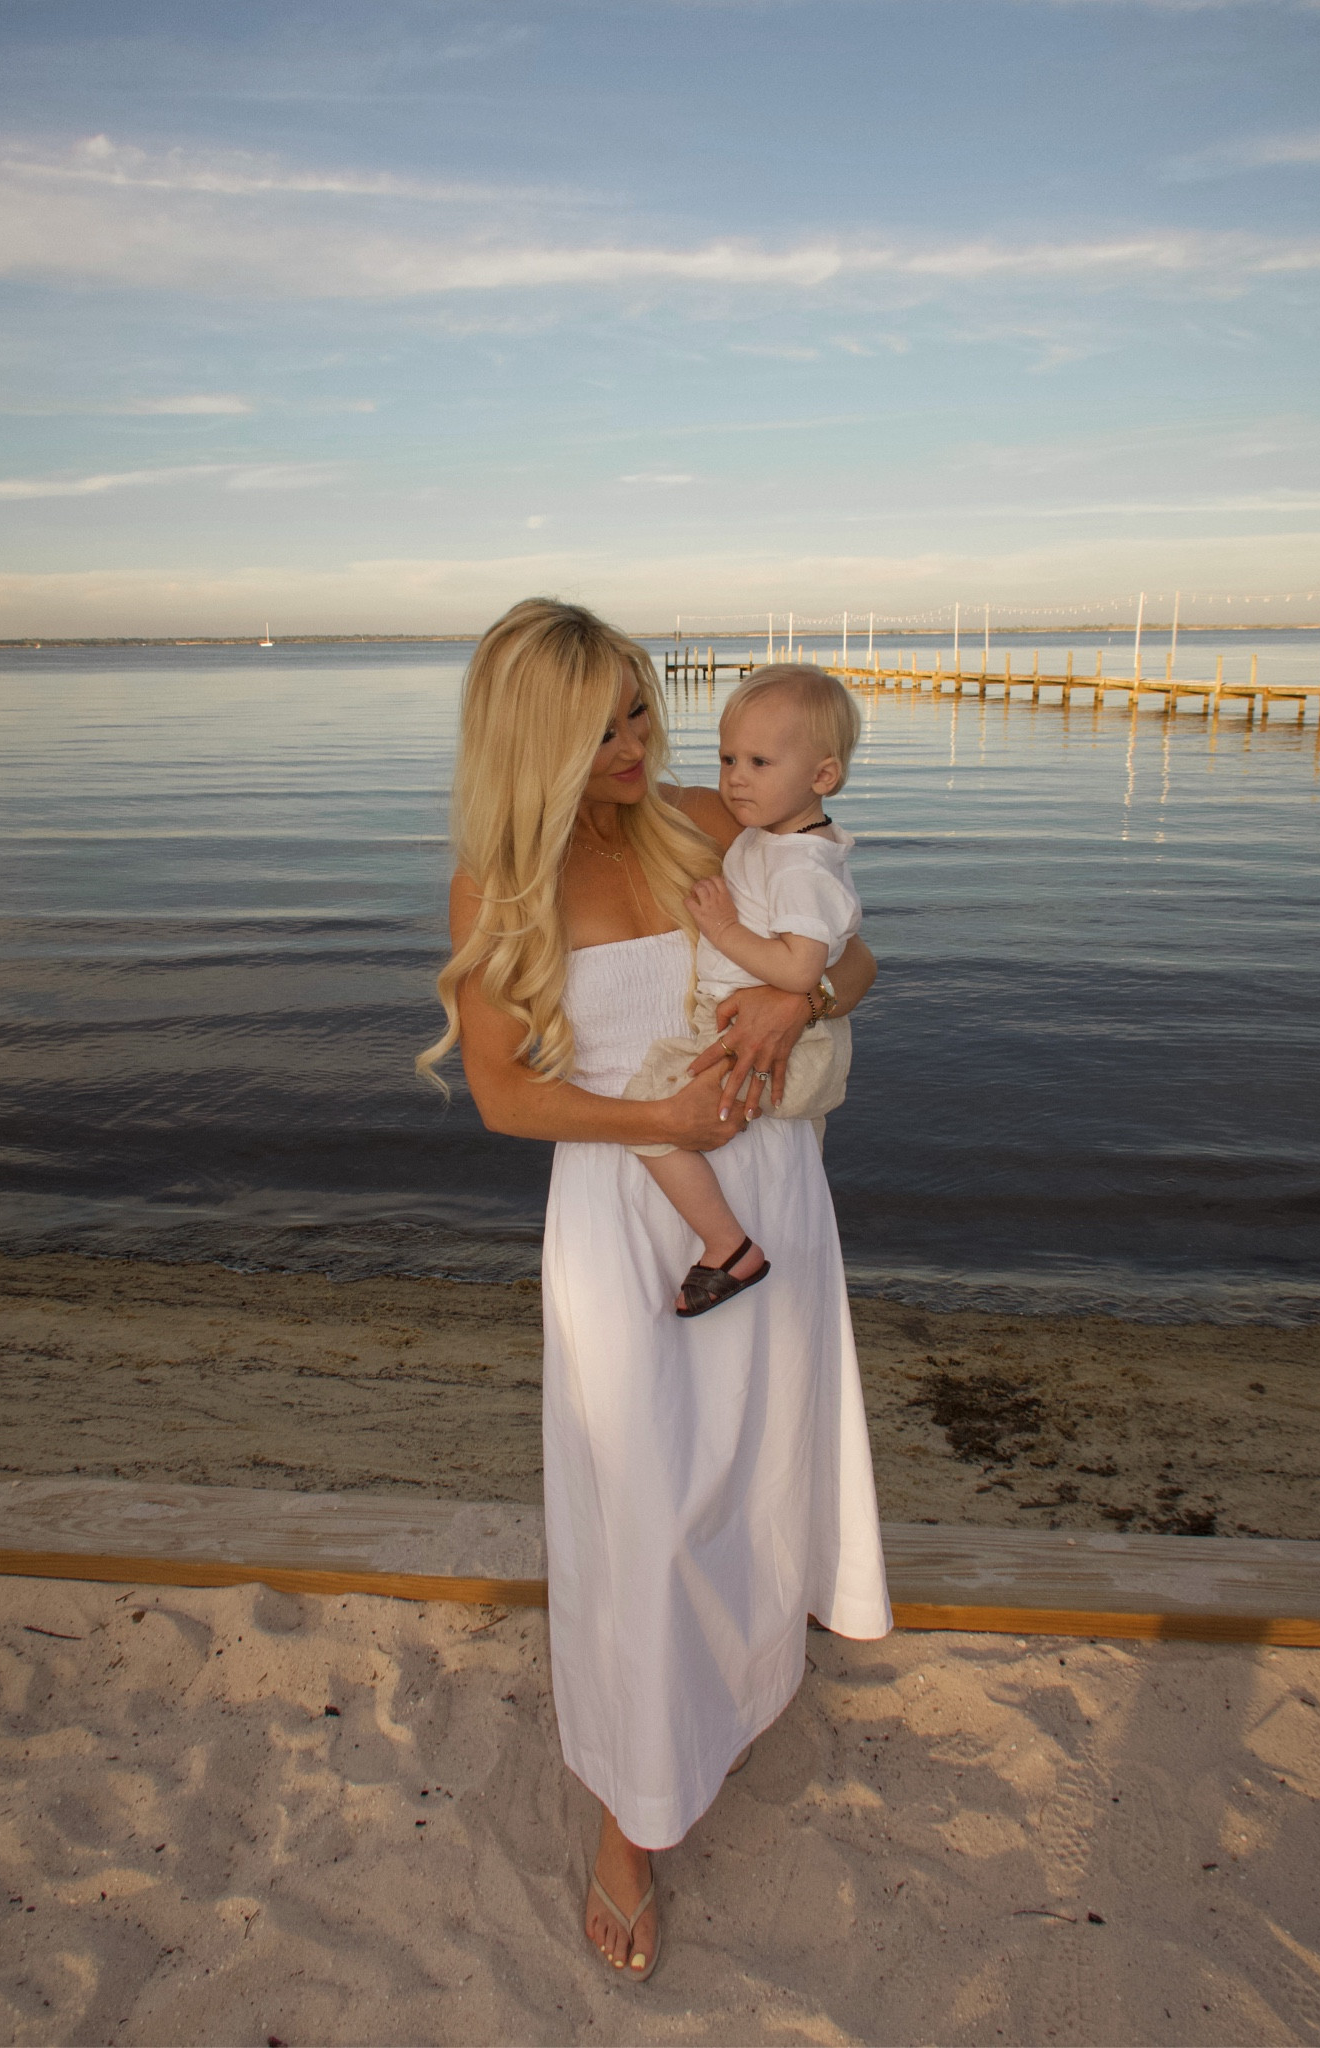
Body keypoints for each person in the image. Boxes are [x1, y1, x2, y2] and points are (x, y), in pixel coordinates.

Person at [418, 599, 892, 1985]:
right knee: (644, 1505)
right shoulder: (497, 884)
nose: (635, 744)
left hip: (775, 1197)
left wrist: (801, 1001)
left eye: (638, 711)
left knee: (753, 1468)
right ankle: (631, 1818)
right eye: (600, 725)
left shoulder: (713, 814)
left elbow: (856, 954)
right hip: (632, 1218)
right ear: (531, 739)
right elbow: (507, 1097)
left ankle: (737, 1695)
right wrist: (663, 1132)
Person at [622, 665, 863, 1317]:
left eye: (759, 761)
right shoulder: (772, 841)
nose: (736, 777)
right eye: (728, 757)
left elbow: (797, 970)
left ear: (821, 776)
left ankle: (728, 1247)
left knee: (647, 1109)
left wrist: (722, 928)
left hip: (761, 1040)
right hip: (753, 1033)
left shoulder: (801, 867)